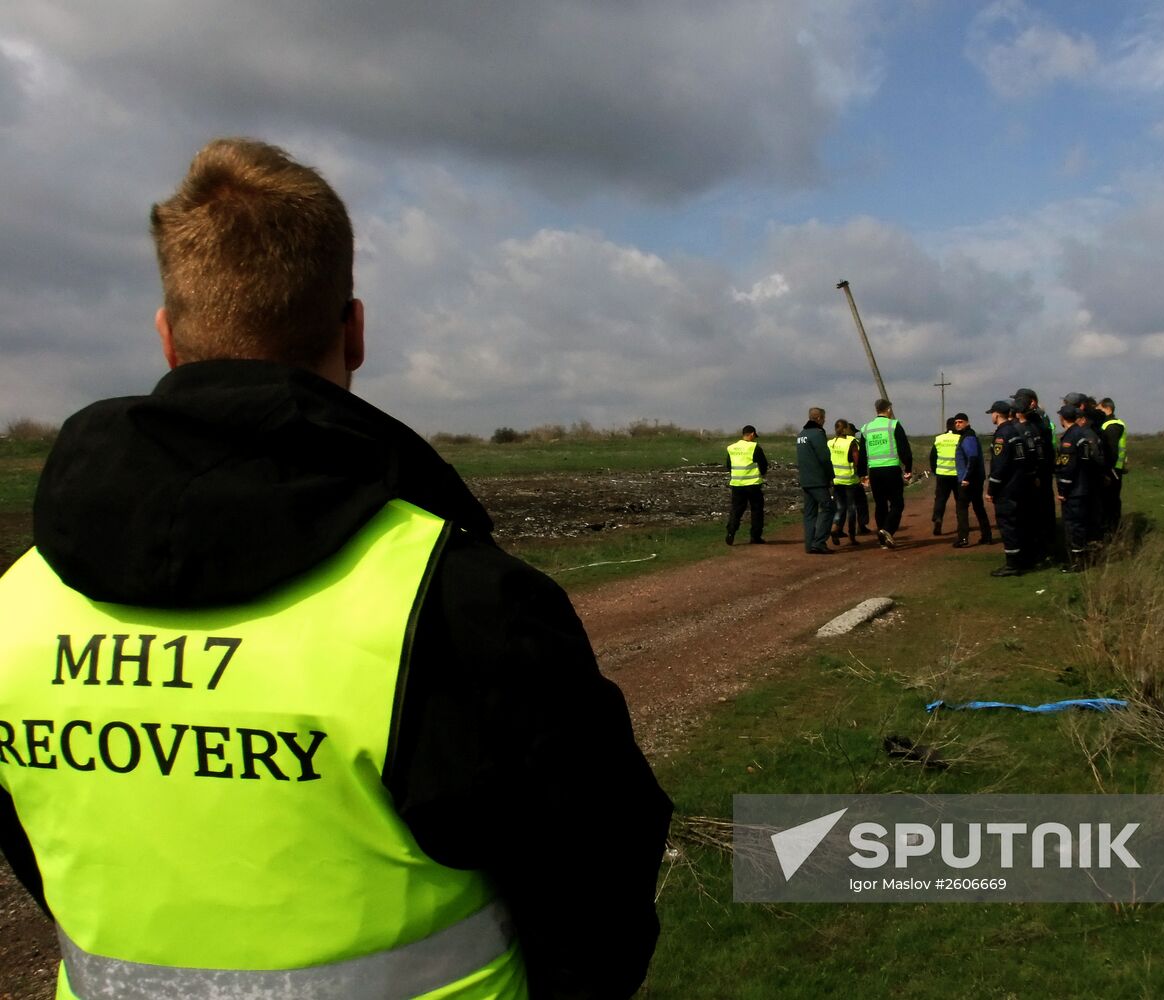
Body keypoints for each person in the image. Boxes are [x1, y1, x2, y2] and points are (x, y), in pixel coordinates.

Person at [0, 138, 672, 1000]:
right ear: (353, 330)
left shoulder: (17, 607)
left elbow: (37, 854)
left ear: (169, 336)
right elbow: (595, 879)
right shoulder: (455, 599)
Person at [856, 399, 913, 549]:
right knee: (897, 503)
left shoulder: (866, 428)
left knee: (880, 504)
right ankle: (887, 530)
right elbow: (904, 448)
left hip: (874, 471)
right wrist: (908, 468)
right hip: (891, 469)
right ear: (888, 409)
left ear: (876, 410)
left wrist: (862, 473)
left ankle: (883, 541)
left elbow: (862, 453)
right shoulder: (893, 424)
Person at [1013, 388, 1059, 560]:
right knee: (1041, 509)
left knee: (1039, 510)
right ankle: (1045, 546)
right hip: (1043, 467)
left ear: (1032, 402)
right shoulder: (1041, 418)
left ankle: (1042, 549)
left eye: (1020, 401)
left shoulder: (1037, 420)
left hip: (1040, 470)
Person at [984, 400, 1029, 576]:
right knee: (1017, 523)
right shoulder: (1015, 432)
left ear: (996, 414)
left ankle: (1012, 564)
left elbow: (1000, 466)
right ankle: (1021, 560)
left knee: (1007, 525)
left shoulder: (1003, 435)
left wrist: (991, 489)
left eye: (992, 414)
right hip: (1018, 485)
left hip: (1006, 489)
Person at [1055, 403, 1099, 571]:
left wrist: (1063, 491)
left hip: (1074, 489)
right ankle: (1080, 558)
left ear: (1062, 418)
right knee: (1080, 524)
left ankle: (1076, 562)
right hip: (1084, 486)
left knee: (1074, 526)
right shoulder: (1082, 434)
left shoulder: (1070, 437)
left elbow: (1068, 467)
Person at [795, 406, 836, 554]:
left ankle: (809, 544)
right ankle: (819, 542)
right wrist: (831, 475)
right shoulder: (817, 434)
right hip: (817, 480)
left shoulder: (801, 435)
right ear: (819, 418)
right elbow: (824, 458)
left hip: (806, 480)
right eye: (824, 418)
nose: (824, 421)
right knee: (828, 507)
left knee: (810, 513)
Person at [951, 413, 993, 547]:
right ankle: (986, 535)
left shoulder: (968, 437)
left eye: (960, 422)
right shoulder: (967, 436)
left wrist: (966, 478)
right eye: (956, 422)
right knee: (978, 507)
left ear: (967, 423)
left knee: (962, 508)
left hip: (968, 480)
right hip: (974, 478)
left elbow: (972, 458)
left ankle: (963, 538)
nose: (958, 424)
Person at [725, 424, 767, 545]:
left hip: (737, 484)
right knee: (756, 510)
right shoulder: (754, 447)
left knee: (736, 509)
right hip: (753, 484)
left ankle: (731, 532)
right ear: (752, 434)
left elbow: (729, 465)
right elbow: (763, 464)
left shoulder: (732, 448)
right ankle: (755, 536)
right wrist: (761, 474)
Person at [827, 419, 864, 545]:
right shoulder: (851, 442)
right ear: (844, 429)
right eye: (847, 427)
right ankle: (852, 536)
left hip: (836, 480)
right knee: (851, 508)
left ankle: (834, 529)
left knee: (840, 507)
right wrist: (861, 473)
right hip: (850, 480)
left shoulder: (830, 443)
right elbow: (857, 460)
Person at [1097, 397, 1127, 534]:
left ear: (1107, 408)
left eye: (1099, 408)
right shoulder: (1110, 423)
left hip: (1113, 470)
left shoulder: (1112, 425)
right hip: (1115, 468)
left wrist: (1107, 469)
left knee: (1111, 503)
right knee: (1110, 502)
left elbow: (1112, 450)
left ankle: (1113, 532)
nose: (1097, 411)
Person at [928, 418, 961, 537]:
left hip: (942, 474)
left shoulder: (939, 439)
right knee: (960, 500)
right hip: (957, 475)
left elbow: (932, 457)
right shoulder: (960, 439)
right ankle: (961, 524)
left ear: (947, 426)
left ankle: (938, 518)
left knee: (940, 499)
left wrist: (935, 471)